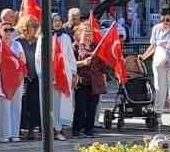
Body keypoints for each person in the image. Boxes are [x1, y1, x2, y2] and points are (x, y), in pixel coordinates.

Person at [41, 13, 75, 141]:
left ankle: (59, 129)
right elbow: (40, 56)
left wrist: (73, 72)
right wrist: (46, 74)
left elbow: (70, 57)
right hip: (50, 76)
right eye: (54, 21)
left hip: (64, 76)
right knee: (50, 104)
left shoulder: (66, 38)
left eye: (59, 20)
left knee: (61, 105)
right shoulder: (44, 37)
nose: (57, 23)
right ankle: (49, 130)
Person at [140, 9, 170, 112]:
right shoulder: (156, 28)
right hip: (159, 62)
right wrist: (143, 56)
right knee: (159, 88)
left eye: (167, 20)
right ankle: (158, 112)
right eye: (162, 20)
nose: (165, 22)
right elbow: (153, 45)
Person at [0, 18, 26, 142]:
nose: (8, 32)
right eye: (5, 30)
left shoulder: (17, 44)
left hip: (17, 78)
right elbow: (1, 60)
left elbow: (23, 60)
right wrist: (13, 60)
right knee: (4, 106)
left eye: (10, 30)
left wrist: (12, 60)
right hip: (3, 78)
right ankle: (5, 135)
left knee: (16, 105)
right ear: (0, 31)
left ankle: (15, 133)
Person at [72, 23, 105, 137]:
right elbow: (70, 63)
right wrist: (82, 63)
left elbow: (102, 65)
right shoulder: (75, 47)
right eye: (85, 32)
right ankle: (77, 129)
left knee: (92, 107)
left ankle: (89, 129)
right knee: (80, 107)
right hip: (81, 81)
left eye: (90, 32)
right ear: (79, 33)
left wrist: (103, 77)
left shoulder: (96, 47)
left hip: (95, 82)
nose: (88, 34)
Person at [18, 17, 41, 140]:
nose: (34, 29)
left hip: (36, 77)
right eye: (32, 26)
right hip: (23, 78)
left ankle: (33, 128)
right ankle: (22, 129)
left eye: (35, 27)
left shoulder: (38, 42)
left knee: (35, 104)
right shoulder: (18, 41)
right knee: (23, 103)